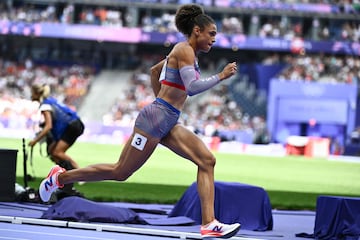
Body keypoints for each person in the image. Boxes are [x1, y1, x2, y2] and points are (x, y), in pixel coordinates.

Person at [38, 4, 240, 238]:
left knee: (207, 160)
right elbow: (192, 88)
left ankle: (209, 224)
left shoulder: (186, 53)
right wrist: (221, 76)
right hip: (156, 120)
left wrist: (162, 104)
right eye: (212, 33)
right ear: (197, 30)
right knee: (120, 172)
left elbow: (155, 71)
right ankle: (60, 178)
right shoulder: (184, 50)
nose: (214, 39)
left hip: (166, 119)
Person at [30, 83, 85, 199]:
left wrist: (35, 141)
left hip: (72, 126)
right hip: (74, 125)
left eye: (32, 93)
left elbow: (49, 126)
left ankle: (78, 173)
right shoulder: (51, 101)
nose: (31, 95)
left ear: (36, 93)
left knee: (57, 153)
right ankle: (64, 178)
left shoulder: (45, 106)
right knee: (53, 152)